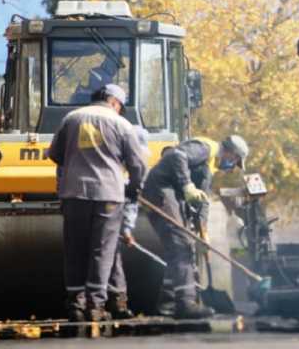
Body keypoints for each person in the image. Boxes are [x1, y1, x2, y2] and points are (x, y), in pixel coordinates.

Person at [49, 84, 148, 322]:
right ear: (114, 102)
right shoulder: (121, 124)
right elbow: (138, 164)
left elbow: (55, 154)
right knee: (102, 250)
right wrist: (134, 189)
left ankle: (75, 304)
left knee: (75, 249)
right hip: (108, 195)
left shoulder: (71, 118)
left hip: (74, 193)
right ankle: (96, 304)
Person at [142, 135, 249, 319]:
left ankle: (167, 303)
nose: (232, 167)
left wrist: (203, 232)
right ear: (230, 153)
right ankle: (186, 304)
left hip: (172, 195)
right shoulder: (207, 148)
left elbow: (203, 201)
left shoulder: (210, 167)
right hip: (162, 190)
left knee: (183, 246)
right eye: (234, 162)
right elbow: (178, 156)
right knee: (181, 245)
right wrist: (187, 185)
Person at [105, 125, 151, 319]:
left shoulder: (128, 167)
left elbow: (132, 200)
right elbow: (131, 199)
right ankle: (110, 302)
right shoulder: (113, 163)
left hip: (105, 213)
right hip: (103, 211)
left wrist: (126, 229)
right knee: (107, 256)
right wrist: (126, 229)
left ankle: (114, 302)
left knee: (110, 255)